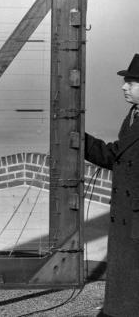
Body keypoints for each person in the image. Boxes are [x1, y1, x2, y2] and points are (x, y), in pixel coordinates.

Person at [85, 53, 139, 316]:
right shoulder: (133, 116)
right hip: (127, 218)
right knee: (125, 288)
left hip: (136, 220)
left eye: (131, 82)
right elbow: (114, 155)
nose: (123, 86)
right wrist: (79, 139)